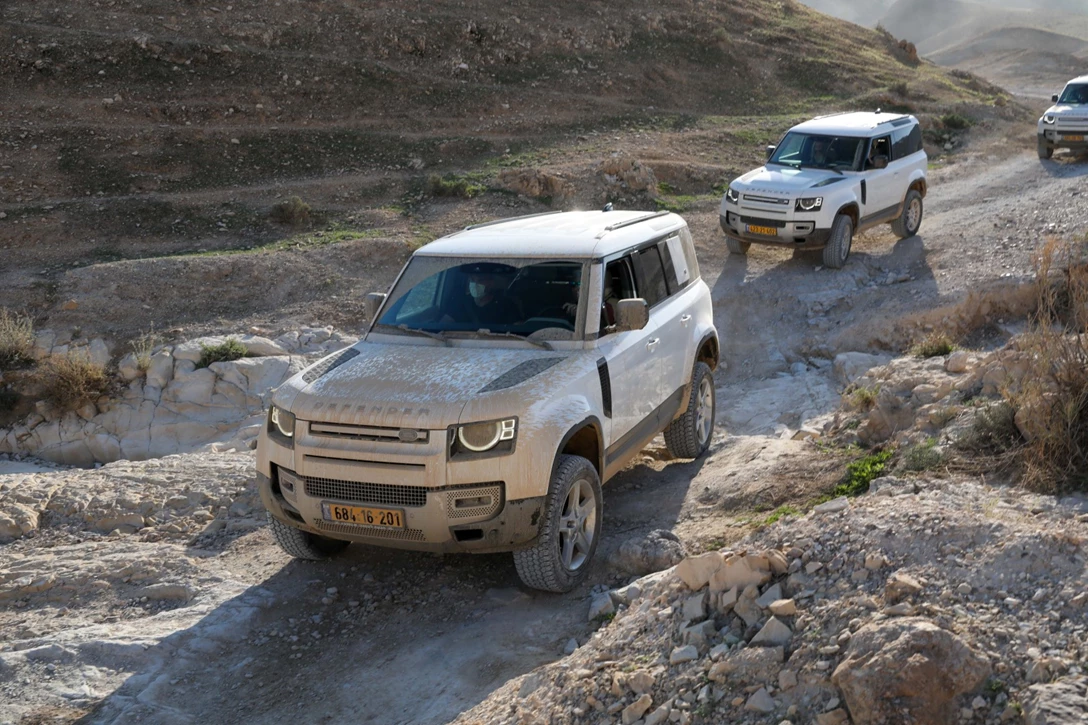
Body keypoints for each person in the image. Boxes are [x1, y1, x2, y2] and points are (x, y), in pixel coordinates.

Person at [461, 262, 518, 328]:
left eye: (480, 280)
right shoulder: (462, 302)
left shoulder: (506, 305)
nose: (475, 283)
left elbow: (517, 328)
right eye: (472, 280)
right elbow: (448, 323)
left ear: (491, 283)